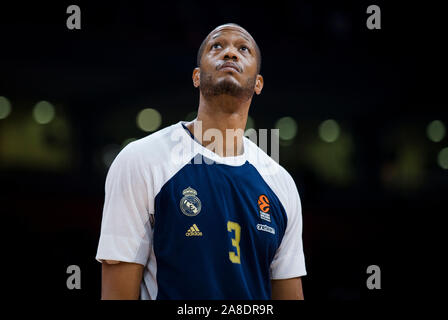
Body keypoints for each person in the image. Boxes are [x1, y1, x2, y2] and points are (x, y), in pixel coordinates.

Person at [96, 23, 306, 300]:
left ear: (258, 84)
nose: (230, 53)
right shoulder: (141, 159)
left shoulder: (281, 184)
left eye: (243, 49)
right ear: (197, 76)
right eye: (217, 46)